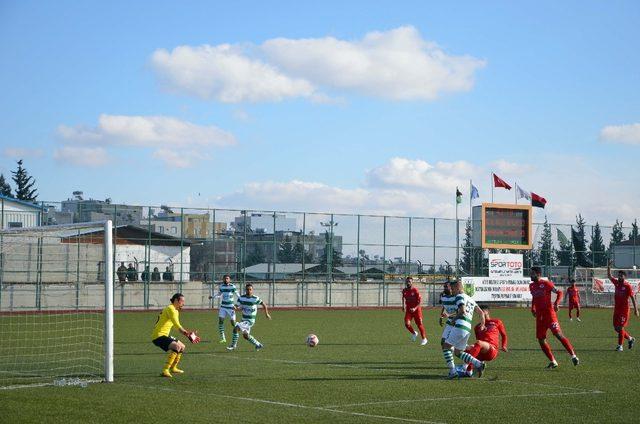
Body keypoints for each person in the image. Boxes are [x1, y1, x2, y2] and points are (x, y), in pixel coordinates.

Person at [529, 266, 579, 368]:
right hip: (540, 317)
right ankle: (553, 361)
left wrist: (556, 303)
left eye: (532, 273)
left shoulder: (546, 283)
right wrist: (533, 308)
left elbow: (559, 292)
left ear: (538, 274)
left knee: (558, 335)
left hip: (549, 315)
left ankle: (573, 356)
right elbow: (534, 298)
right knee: (541, 339)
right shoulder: (532, 286)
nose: (531, 275)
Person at [441, 279, 486, 378]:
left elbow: (462, 311)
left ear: (457, 287)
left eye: (453, 288)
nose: (452, 291)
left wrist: (454, 319)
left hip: (460, 325)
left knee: (446, 346)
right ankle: (479, 364)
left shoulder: (459, 296)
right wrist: (483, 324)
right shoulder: (470, 298)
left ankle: (453, 372)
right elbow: (481, 313)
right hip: (467, 327)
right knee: (458, 352)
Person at [150, 293, 199, 378]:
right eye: (182, 301)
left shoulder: (175, 310)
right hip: (158, 336)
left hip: (165, 334)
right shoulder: (171, 309)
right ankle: (165, 370)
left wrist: (188, 334)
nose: (183, 303)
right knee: (176, 347)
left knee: (182, 346)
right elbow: (177, 326)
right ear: (176, 300)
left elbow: (177, 326)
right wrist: (188, 334)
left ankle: (173, 368)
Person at [463, 305, 508, 376]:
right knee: (462, 348)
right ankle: (477, 365)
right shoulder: (477, 327)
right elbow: (477, 343)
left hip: (492, 350)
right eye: (479, 312)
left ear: (487, 312)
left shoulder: (497, 322)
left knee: (479, 343)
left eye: (482, 312)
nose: (480, 314)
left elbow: (504, 335)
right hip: (482, 351)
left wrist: (504, 345)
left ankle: (469, 368)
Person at [227, 283, 271, 351]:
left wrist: (266, 314)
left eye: (250, 289)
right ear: (245, 290)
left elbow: (264, 304)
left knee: (236, 328)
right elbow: (237, 305)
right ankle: (258, 345)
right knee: (245, 336)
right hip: (243, 319)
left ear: (252, 290)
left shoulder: (255, 298)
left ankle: (233, 345)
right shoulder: (241, 298)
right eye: (247, 289)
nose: (249, 291)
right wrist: (235, 307)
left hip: (250, 321)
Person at [607, 260, 638, 351]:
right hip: (616, 310)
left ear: (625, 276)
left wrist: (636, 309)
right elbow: (609, 276)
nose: (620, 277)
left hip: (624, 311)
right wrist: (608, 266)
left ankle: (620, 346)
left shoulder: (627, 286)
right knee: (616, 328)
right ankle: (630, 339)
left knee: (620, 327)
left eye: (621, 275)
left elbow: (632, 297)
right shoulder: (616, 283)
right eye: (619, 275)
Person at [208, 274, 237, 343]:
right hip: (223, 307)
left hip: (231, 307)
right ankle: (223, 338)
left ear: (229, 279)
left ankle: (238, 330)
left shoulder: (233, 287)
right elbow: (219, 294)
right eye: (224, 278)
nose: (226, 280)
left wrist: (238, 304)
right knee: (221, 321)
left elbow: (237, 295)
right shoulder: (222, 286)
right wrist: (213, 297)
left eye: (227, 278)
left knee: (233, 323)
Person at [402, 277, 427, 345]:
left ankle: (424, 339)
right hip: (409, 310)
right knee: (407, 324)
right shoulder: (404, 290)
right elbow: (403, 297)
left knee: (419, 324)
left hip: (416, 310)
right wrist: (403, 306)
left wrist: (415, 308)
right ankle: (414, 333)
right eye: (407, 281)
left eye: (409, 281)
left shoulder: (415, 290)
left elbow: (419, 302)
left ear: (412, 282)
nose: (408, 283)